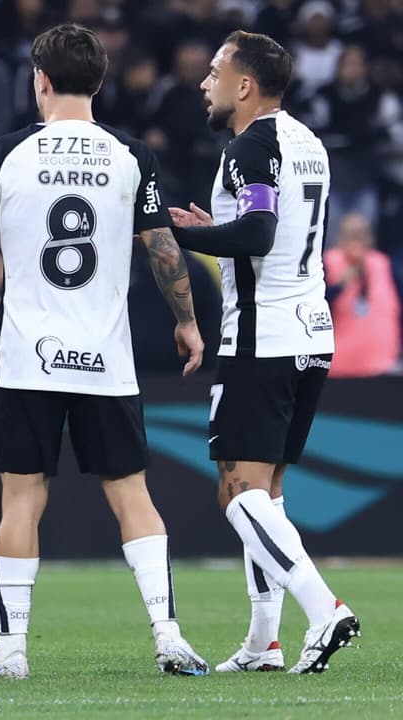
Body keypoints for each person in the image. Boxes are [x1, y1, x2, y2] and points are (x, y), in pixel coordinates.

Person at [0, 23, 210, 680]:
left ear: (39, 80)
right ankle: (169, 636)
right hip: (105, 355)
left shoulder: (6, 152)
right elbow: (162, 248)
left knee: (21, 500)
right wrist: (187, 320)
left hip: (26, 357)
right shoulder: (130, 154)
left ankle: (11, 650)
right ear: (99, 82)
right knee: (132, 495)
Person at [169, 30, 360, 674]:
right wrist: (208, 233)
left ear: (244, 85)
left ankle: (323, 609)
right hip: (311, 328)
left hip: (260, 335)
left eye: (216, 70)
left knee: (236, 495)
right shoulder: (308, 142)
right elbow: (267, 230)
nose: (206, 81)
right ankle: (263, 645)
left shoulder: (249, 146)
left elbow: (257, 230)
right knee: (267, 496)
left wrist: (168, 230)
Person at [324, 213, 400, 377]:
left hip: (381, 364)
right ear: (339, 237)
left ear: (370, 237)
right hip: (337, 365)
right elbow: (318, 307)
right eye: (350, 235)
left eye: (360, 234)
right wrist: (339, 286)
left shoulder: (383, 263)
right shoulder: (328, 261)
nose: (355, 240)